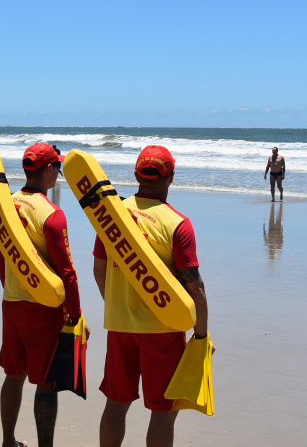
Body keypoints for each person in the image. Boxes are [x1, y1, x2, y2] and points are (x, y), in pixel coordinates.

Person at [92, 145, 209, 447]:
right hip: (163, 329)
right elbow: (195, 286)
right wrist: (200, 336)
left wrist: (117, 306)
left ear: (136, 175)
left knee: (116, 404)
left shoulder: (112, 217)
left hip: (119, 327)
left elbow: (99, 269)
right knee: (163, 412)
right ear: (171, 177)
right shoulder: (177, 223)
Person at [0, 143, 84, 447]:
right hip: (43, 309)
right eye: (57, 167)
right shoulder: (51, 214)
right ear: (48, 170)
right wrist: (76, 314)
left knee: (14, 374)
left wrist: (11, 288)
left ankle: (8, 441)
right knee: (46, 382)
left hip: (11, 302)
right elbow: (66, 270)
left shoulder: (5, 205)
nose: (58, 173)